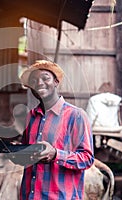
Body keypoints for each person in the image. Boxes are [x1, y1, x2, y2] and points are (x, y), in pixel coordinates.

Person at [19, 60, 94, 200]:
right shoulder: (31, 117)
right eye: (34, 81)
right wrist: (19, 153)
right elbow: (27, 155)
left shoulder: (76, 116)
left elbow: (87, 159)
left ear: (56, 82)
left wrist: (55, 154)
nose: (39, 83)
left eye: (45, 78)